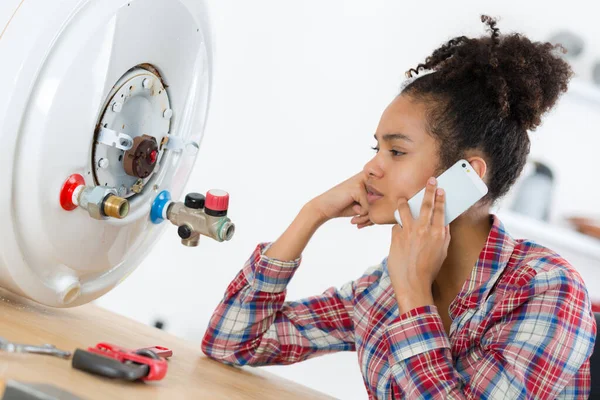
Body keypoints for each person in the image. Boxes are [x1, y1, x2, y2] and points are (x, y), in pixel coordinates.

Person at [201, 15, 596, 399]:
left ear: (468, 175)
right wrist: (312, 214)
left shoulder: (545, 289)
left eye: (397, 150)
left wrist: (413, 295)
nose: (371, 167)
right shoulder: (380, 289)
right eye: (377, 149)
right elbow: (232, 343)